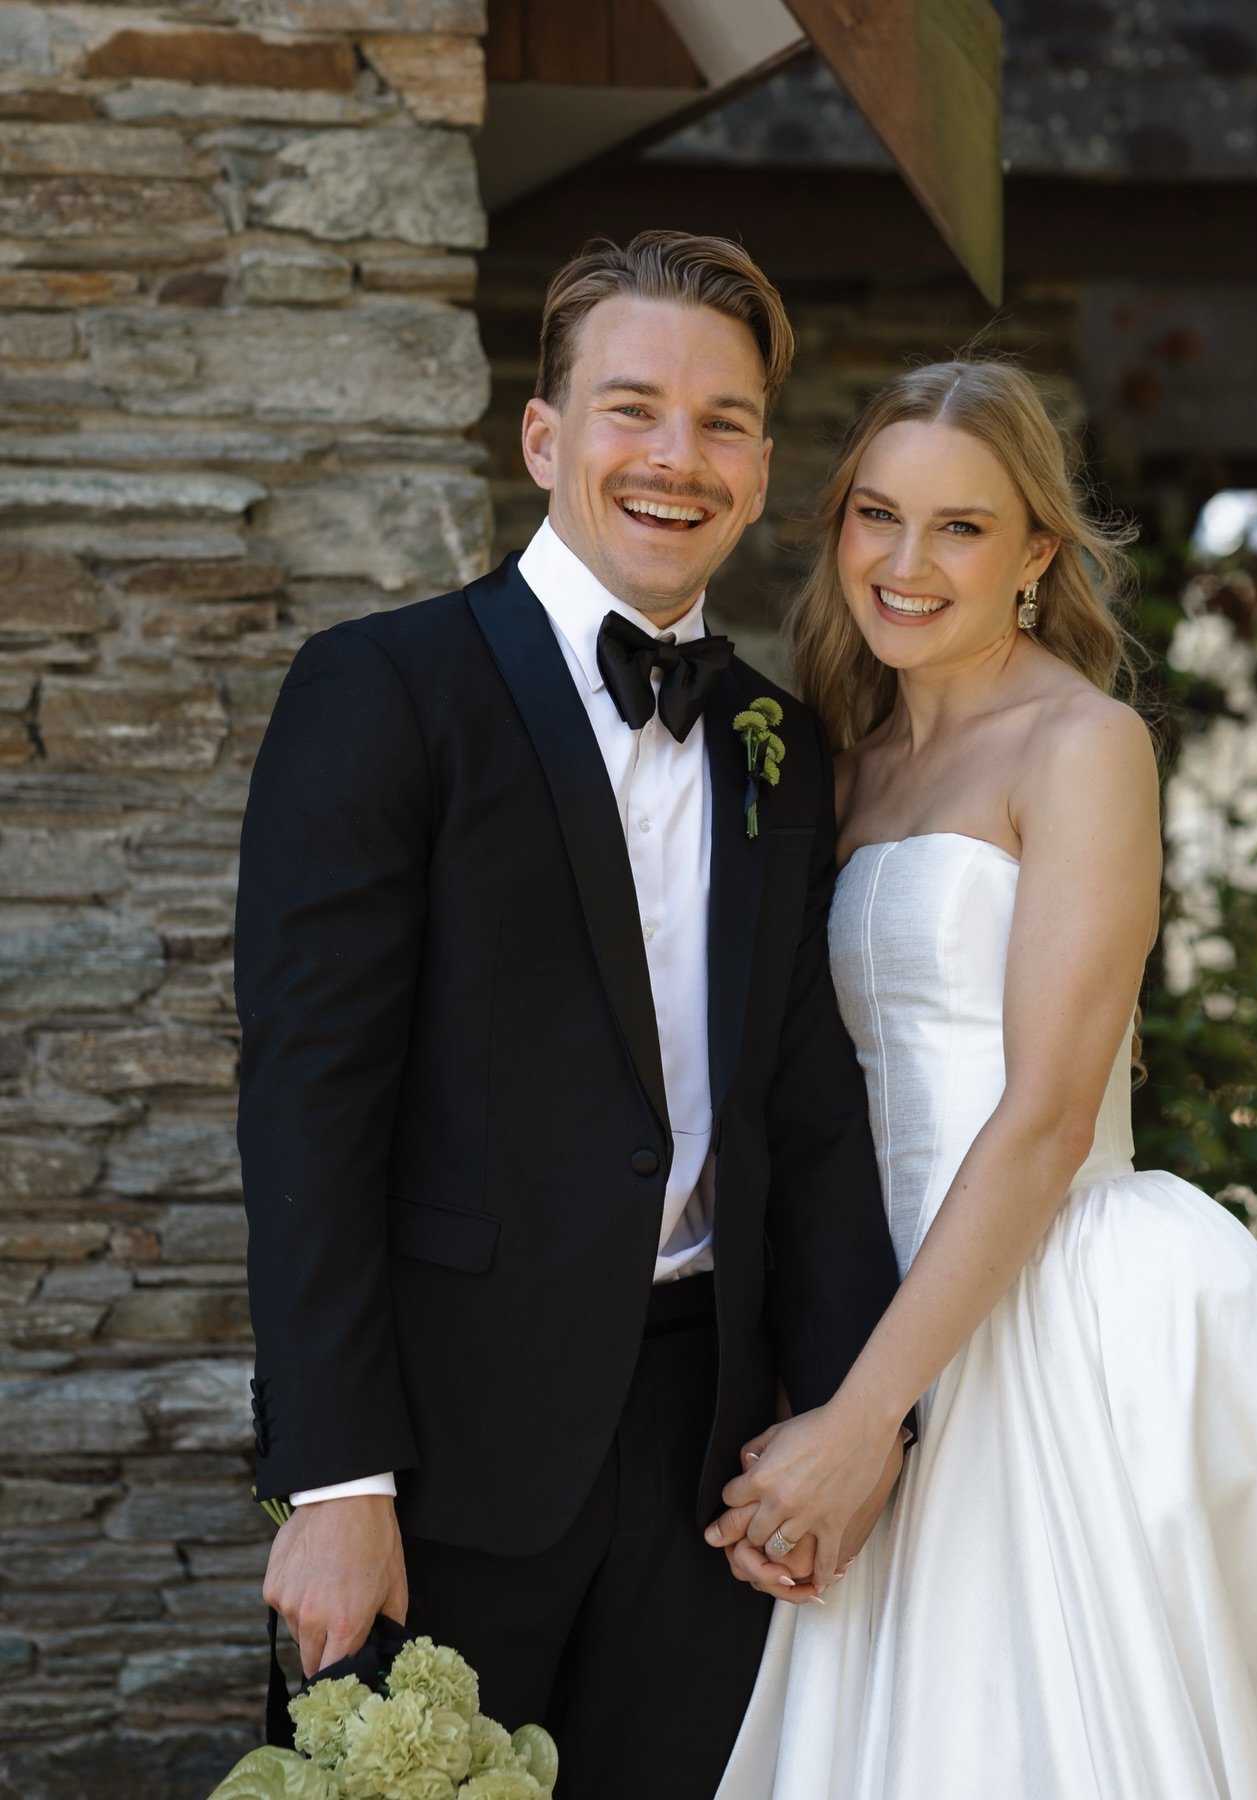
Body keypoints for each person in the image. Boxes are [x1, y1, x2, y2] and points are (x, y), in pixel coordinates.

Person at [234, 231, 905, 1800]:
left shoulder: (777, 742)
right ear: (543, 438)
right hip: (438, 1458)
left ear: (758, 462)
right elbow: (308, 1105)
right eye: (632, 408)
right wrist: (334, 1477)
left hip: (708, 1462)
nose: (679, 457)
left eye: (725, 419)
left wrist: (849, 1422)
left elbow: (805, 1118)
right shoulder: (380, 692)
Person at [709, 359, 1257, 1798]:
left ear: (1040, 549)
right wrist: (826, 1375)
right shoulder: (842, 766)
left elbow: (1043, 1117)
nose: (906, 564)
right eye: (877, 514)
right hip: (883, 1306)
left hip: (1054, 1313)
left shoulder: (1086, 747)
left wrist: (867, 1420)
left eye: (963, 527)